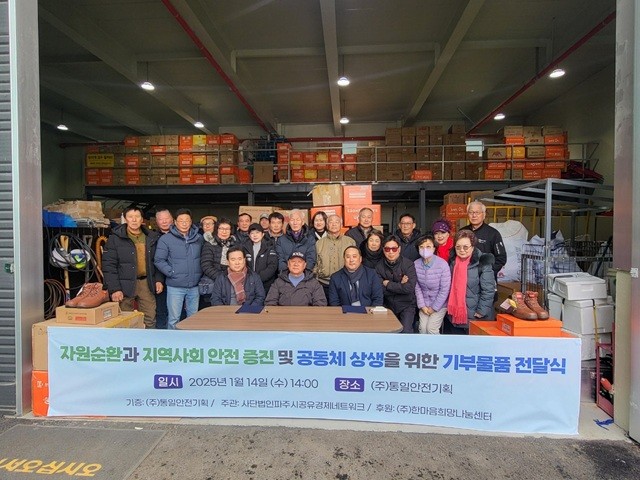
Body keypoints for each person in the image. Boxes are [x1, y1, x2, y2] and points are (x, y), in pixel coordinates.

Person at [102, 206, 163, 329]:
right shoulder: (115, 238)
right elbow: (109, 265)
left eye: (137, 217)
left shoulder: (151, 237)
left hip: (146, 283)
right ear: (125, 219)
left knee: (150, 317)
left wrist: (158, 280)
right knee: (125, 320)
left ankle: (147, 341)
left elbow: (157, 261)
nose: (134, 220)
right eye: (130, 217)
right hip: (124, 284)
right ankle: (128, 341)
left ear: (142, 219)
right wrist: (115, 289)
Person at [154, 208, 203, 329]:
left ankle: (191, 340)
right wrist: (172, 272)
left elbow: (203, 258)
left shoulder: (198, 238)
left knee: (193, 318)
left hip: (194, 286)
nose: (184, 223)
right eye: (181, 221)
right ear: (175, 222)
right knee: (174, 319)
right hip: (175, 286)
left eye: (187, 220)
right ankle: (173, 340)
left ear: (191, 222)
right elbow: (159, 260)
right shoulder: (166, 239)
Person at [445, 230, 496, 335]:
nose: (461, 250)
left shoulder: (483, 262)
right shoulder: (453, 262)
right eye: (458, 247)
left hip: (477, 317)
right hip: (455, 316)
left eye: (465, 247)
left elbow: (488, 290)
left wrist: (482, 311)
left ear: (472, 246)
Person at [375, 235, 418, 333]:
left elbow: (409, 288)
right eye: (387, 249)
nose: (390, 252)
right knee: (386, 332)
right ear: (383, 250)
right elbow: (380, 290)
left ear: (399, 249)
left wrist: (388, 284)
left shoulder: (408, 264)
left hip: (406, 305)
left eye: (394, 249)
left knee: (405, 332)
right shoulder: (379, 266)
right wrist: (400, 285)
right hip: (388, 305)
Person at [414, 234, 451, 334]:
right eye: (421, 247)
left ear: (434, 248)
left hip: (440, 304)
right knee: (422, 329)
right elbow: (417, 287)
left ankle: (436, 345)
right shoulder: (416, 264)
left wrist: (434, 307)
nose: (424, 249)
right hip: (424, 304)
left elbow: (444, 289)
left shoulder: (442, 264)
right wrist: (422, 306)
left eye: (428, 246)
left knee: (431, 329)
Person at [460, 201, 506, 278]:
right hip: (466, 276)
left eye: (477, 212)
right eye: (471, 212)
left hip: (486, 277)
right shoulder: (462, 232)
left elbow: (501, 258)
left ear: (484, 215)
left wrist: (488, 272)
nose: (474, 215)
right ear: (467, 214)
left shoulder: (493, 233)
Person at [315, 215, 355, 297]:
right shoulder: (319, 243)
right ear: (327, 225)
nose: (334, 224)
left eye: (337, 222)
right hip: (324, 283)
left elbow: (355, 263)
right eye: (331, 222)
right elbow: (315, 263)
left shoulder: (350, 242)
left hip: (345, 282)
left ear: (341, 224)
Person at [242, 222, 278, 293]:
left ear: (263, 234)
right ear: (249, 235)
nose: (255, 235)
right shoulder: (244, 247)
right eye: (252, 233)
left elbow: (272, 266)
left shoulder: (270, 247)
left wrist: (257, 279)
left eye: (257, 232)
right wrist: (250, 279)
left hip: (265, 284)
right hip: (248, 283)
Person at [153, 207, 173, 329]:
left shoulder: (180, 235)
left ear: (172, 219)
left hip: (177, 279)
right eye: (161, 219)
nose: (164, 221)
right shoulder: (152, 237)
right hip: (159, 279)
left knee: (177, 311)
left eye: (167, 218)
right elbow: (153, 260)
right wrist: (158, 279)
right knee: (161, 309)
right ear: (157, 221)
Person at [201, 218, 236, 283]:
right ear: (217, 229)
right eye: (221, 229)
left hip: (232, 280)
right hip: (213, 281)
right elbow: (206, 266)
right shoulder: (210, 244)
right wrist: (222, 278)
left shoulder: (235, 245)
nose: (224, 232)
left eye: (227, 229)